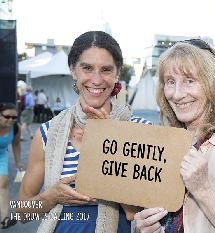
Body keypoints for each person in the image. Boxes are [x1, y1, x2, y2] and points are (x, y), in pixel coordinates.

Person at [17, 31, 151, 233]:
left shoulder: (140, 130)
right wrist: (52, 196)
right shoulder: (48, 133)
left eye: (106, 70)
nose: (96, 80)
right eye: (87, 68)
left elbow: (138, 211)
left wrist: (109, 142)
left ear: (117, 73)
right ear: (73, 70)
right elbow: (22, 212)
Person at [133, 39, 215, 233]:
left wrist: (203, 189)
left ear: (214, 85)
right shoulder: (168, 141)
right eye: (171, 82)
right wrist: (142, 228)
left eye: (190, 81)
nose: (178, 94)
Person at [0, 103, 23, 229]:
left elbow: (16, 145)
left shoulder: (15, 128)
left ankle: (4, 219)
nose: (11, 120)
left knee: (3, 185)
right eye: (7, 116)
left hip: (1, 156)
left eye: (14, 117)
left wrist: (18, 162)